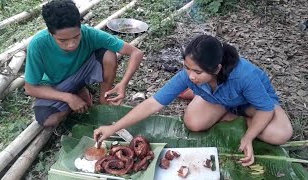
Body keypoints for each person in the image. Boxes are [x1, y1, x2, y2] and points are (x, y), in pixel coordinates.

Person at [94, 34, 293, 166]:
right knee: (193, 122)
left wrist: (249, 136)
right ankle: (227, 110)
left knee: (280, 134)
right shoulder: (188, 74)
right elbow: (153, 103)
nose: (190, 76)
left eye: (197, 72)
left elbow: (265, 109)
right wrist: (113, 128)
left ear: (217, 69)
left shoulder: (244, 75)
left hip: (251, 104)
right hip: (221, 100)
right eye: (186, 68)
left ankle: (240, 116)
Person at [24, 0, 143, 127]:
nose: (71, 44)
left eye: (76, 36)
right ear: (50, 33)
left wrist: (123, 83)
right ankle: (77, 93)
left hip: (83, 72)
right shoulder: (38, 45)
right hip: (57, 84)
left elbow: (136, 53)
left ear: (80, 26)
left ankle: (104, 98)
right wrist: (69, 98)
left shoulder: (89, 33)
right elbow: (30, 88)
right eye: (62, 40)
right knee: (48, 120)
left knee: (109, 54)